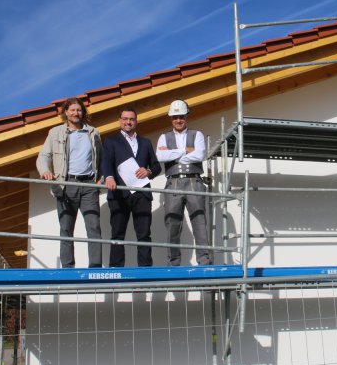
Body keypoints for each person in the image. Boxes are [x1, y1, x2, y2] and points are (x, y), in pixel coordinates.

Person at [36, 97, 103, 268]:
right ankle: (68, 268)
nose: (76, 113)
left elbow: (101, 159)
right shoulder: (55, 133)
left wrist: (101, 178)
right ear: (65, 112)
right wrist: (45, 170)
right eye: (72, 110)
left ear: (83, 112)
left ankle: (95, 267)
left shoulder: (93, 132)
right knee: (66, 228)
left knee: (94, 227)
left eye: (79, 110)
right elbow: (44, 156)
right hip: (66, 185)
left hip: (89, 185)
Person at [102, 107, 161, 267]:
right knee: (117, 234)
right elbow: (106, 162)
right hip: (119, 193)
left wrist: (149, 171)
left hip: (142, 194)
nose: (128, 122)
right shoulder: (111, 141)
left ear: (136, 121)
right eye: (125, 119)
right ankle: (116, 270)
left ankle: (145, 269)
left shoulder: (145, 142)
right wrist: (109, 177)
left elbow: (156, 166)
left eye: (132, 119)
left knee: (144, 234)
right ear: (120, 120)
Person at [156, 100, 211, 266]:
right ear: (171, 118)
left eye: (181, 116)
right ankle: (173, 263)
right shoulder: (163, 137)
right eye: (175, 117)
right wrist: (185, 151)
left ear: (186, 116)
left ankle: (204, 261)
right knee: (172, 223)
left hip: (194, 180)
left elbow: (200, 155)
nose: (178, 120)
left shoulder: (197, 134)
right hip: (173, 182)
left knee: (199, 222)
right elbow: (160, 157)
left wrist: (172, 154)